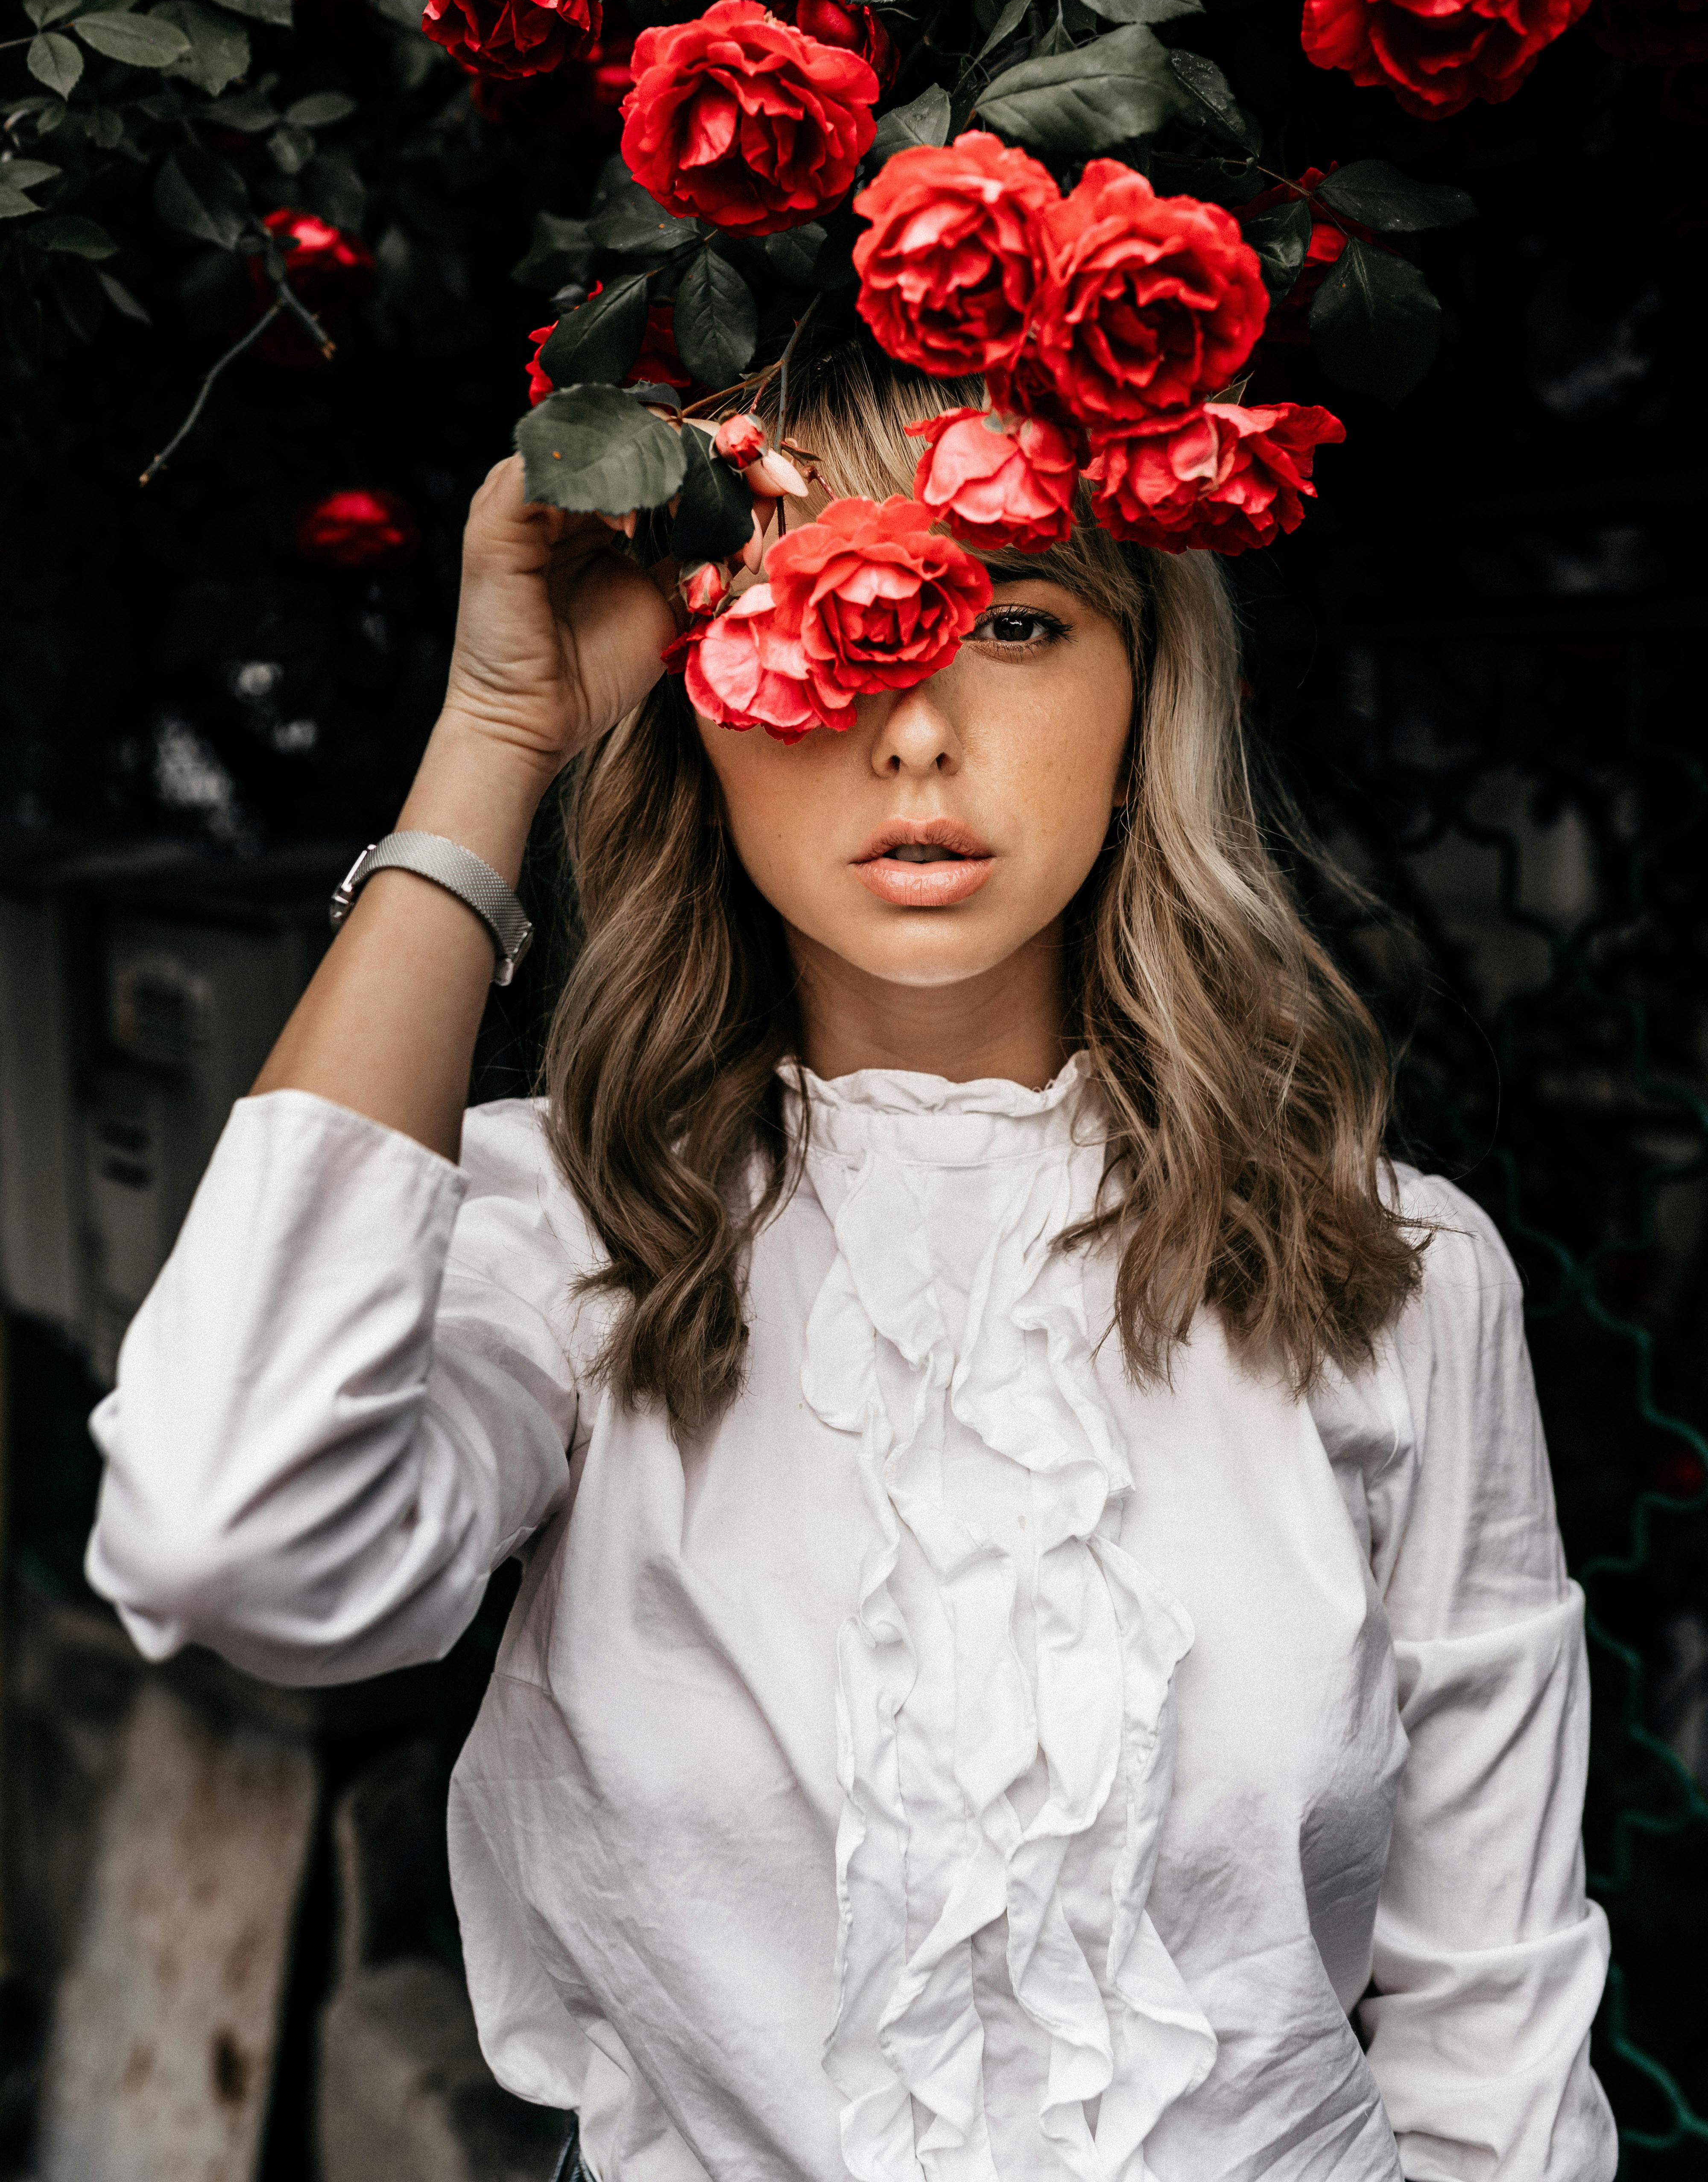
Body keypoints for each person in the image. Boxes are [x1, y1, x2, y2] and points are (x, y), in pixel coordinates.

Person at [85, 325, 1615, 2182]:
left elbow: (1498, 2033)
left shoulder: (1398, 1279)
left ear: (1147, 702)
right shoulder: (575, 1239)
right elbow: (230, 1537)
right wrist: (491, 748)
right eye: (828, 618)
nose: (915, 724)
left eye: (1023, 620)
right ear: (698, 698)